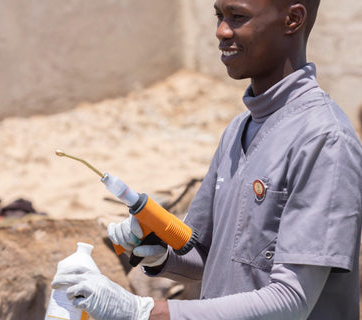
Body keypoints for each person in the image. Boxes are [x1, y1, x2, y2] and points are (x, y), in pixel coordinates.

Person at [51, 0, 362, 318]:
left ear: (293, 19)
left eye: (238, 17)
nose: (221, 31)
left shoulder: (324, 141)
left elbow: (291, 300)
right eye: (219, 16)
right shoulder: (238, 131)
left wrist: (145, 312)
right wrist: (159, 254)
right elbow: (205, 255)